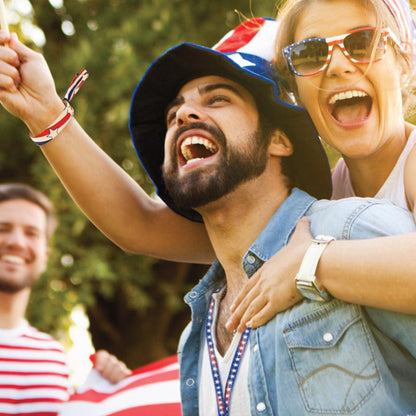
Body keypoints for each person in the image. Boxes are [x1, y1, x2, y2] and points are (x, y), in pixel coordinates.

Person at [126, 28, 416, 415]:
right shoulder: (194, 338)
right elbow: (134, 225)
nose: (183, 115)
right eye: (171, 114)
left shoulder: (350, 229)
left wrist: (313, 264)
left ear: (279, 140)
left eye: (218, 99)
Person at [226, 0, 416, 333]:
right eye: (310, 54)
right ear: (296, 91)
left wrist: (311, 263)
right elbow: (146, 228)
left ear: (404, 67)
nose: (339, 65)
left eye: (363, 43)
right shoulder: (322, 196)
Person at [0, 183, 130, 415]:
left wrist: (110, 390)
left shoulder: (52, 358)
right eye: (3, 228)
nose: (17, 242)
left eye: (31, 233)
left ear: (45, 257)